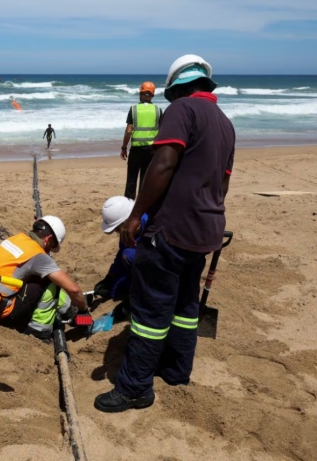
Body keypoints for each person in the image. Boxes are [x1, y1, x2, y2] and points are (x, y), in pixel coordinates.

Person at [94, 54, 235, 413]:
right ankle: (175, 370)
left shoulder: (182, 111)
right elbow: (222, 183)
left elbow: (164, 163)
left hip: (170, 229)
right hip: (205, 229)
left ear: (178, 88)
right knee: (186, 304)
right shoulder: (225, 123)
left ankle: (135, 387)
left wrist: (137, 214)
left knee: (150, 310)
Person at [0, 216, 88, 339]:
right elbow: (73, 290)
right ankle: (39, 331)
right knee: (50, 281)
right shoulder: (38, 255)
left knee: (36, 276)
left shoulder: (16, 239)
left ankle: (69, 310)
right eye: (51, 246)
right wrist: (83, 311)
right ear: (48, 239)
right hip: (1, 315)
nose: (49, 251)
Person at [94, 196, 148, 302]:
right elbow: (121, 254)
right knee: (113, 292)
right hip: (137, 266)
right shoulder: (127, 231)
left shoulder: (150, 225)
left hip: (157, 269)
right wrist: (109, 278)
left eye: (118, 228)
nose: (118, 232)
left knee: (129, 255)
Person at [120, 82, 162, 200]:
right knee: (145, 179)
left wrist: (124, 148)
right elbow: (162, 131)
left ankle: (128, 205)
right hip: (151, 151)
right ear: (152, 95)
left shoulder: (134, 109)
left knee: (131, 179)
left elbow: (128, 131)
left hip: (136, 150)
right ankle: (142, 207)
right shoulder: (158, 110)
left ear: (140, 93)